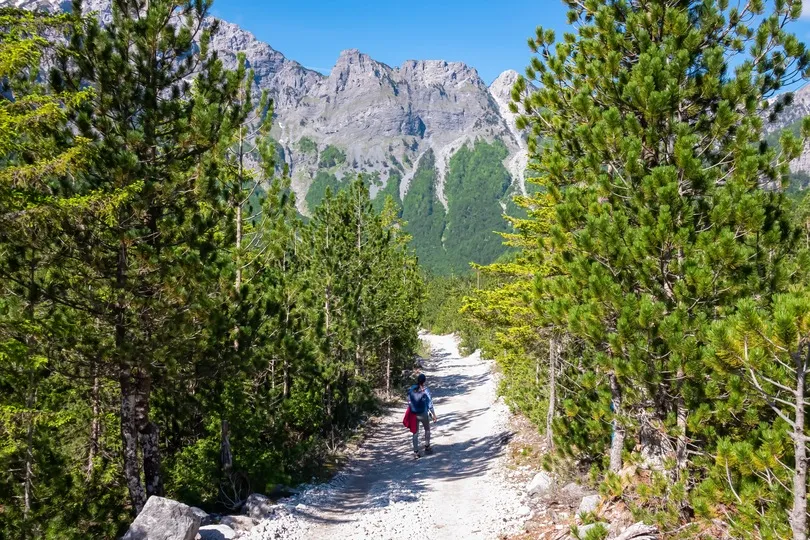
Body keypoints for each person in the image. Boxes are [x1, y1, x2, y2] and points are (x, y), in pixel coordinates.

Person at [408, 373, 437, 458]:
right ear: (424, 381)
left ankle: (416, 452)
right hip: (423, 413)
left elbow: (409, 400)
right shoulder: (425, 390)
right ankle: (427, 446)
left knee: (415, 432)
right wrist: (434, 415)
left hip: (414, 413)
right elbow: (430, 404)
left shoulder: (412, 388)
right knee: (427, 429)